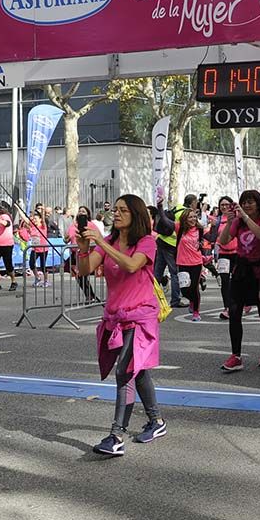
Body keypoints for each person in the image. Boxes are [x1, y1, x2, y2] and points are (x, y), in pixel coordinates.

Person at [78, 195, 166, 457]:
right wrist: (83, 249)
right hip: (116, 316)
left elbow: (131, 265)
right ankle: (157, 421)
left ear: (135, 214)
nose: (116, 214)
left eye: (122, 210)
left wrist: (101, 242)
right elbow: (85, 269)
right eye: (115, 209)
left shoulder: (146, 242)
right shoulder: (110, 242)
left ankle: (116, 436)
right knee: (137, 371)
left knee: (125, 371)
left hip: (141, 316)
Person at [217, 190, 260, 372]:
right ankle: (236, 355)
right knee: (234, 312)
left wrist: (245, 217)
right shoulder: (238, 222)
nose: (247, 205)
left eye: (250, 202)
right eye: (244, 202)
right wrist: (229, 222)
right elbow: (224, 240)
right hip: (241, 272)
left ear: (258, 204)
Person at [154, 194, 197, 309]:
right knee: (175, 273)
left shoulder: (177, 208)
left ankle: (150, 297)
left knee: (157, 272)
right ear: (193, 203)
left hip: (161, 240)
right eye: (196, 202)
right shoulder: (186, 214)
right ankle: (175, 300)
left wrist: (160, 206)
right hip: (172, 245)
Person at [172, 208, 208, 322]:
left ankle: (196, 312)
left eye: (194, 217)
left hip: (196, 262)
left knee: (194, 288)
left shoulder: (200, 229)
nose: (193, 219)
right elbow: (164, 221)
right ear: (185, 219)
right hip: (182, 262)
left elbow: (205, 240)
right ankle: (192, 300)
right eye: (190, 217)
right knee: (184, 289)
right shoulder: (179, 228)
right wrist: (160, 207)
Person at [210, 197, 238, 320]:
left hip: (237, 253)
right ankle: (227, 308)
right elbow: (213, 237)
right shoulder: (217, 221)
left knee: (237, 280)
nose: (225, 207)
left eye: (227, 204)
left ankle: (243, 302)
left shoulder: (237, 218)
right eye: (222, 205)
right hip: (223, 253)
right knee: (225, 281)